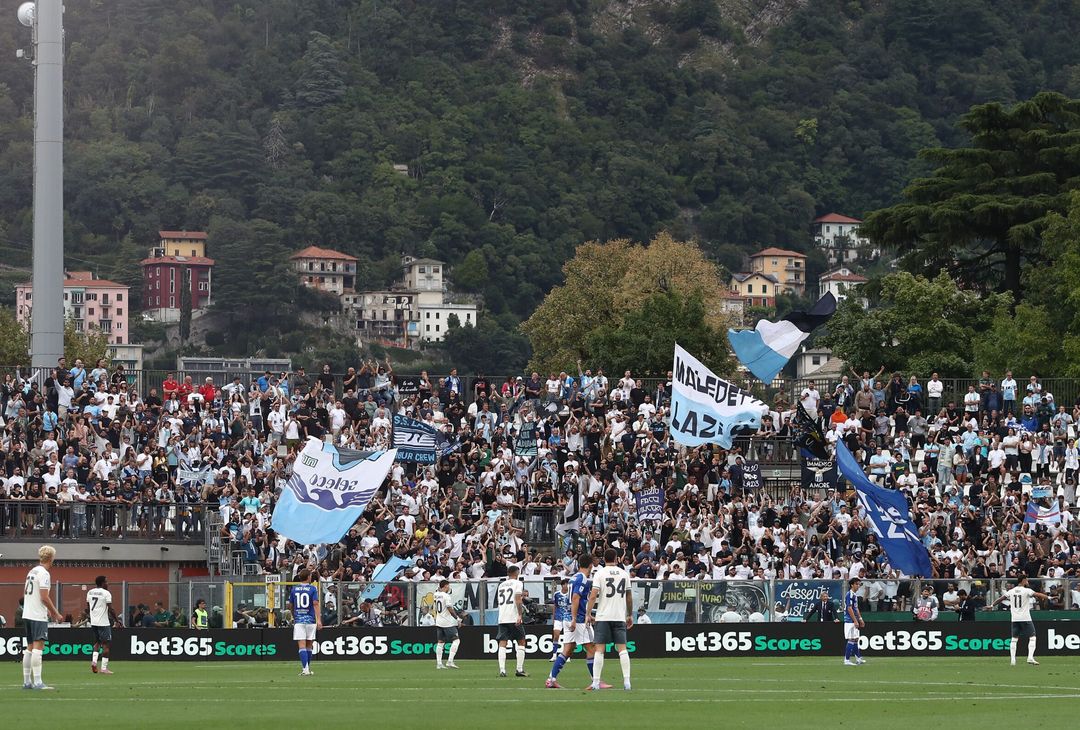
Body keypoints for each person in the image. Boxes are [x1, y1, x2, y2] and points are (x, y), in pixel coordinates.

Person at [548, 553, 606, 689]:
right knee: (591, 647)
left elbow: (577, 600)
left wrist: (587, 614)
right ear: (590, 565)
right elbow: (575, 598)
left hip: (568, 617)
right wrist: (576, 618)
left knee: (567, 650)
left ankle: (551, 679)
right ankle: (596, 681)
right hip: (577, 619)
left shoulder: (573, 577)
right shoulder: (582, 579)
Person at [586, 548, 633, 691]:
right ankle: (627, 682)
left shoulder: (600, 573)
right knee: (622, 649)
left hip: (603, 616)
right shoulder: (624, 574)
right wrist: (629, 614)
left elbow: (593, 595)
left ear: (603, 559)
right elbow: (629, 596)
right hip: (619, 616)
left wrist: (588, 613)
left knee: (599, 649)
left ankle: (596, 682)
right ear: (617, 558)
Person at [22, 545, 64, 690]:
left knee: (29, 648)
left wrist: (45, 609)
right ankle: (38, 682)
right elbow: (44, 597)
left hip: (27, 613)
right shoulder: (44, 573)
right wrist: (55, 613)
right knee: (38, 648)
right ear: (51, 558)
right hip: (36, 615)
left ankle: (27, 682)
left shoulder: (32, 571)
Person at [989, 576, 1048, 666]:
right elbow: (1038, 595)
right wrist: (1048, 597)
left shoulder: (1011, 591)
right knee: (1032, 637)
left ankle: (1013, 660)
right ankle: (1030, 657)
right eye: (1026, 580)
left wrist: (992, 605)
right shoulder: (1027, 590)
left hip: (1015, 619)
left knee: (1014, 639)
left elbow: (1001, 599)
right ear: (1023, 580)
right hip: (1025, 618)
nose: (1027, 581)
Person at [495, 565, 527, 678]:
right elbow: (518, 599)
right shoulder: (518, 583)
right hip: (513, 616)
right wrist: (519, 614)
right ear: (517, 572)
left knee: (502, 643)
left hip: (503, 616)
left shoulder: (501, 585)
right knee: (521, 641)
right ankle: (519, 669)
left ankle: (502, 670)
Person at [289, 569, 321, 676]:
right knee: (309, 645)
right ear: (308, 577)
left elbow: (291, 605)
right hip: (310, 620)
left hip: (299, 620)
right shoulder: (312, 588)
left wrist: (294, 616)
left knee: (301, 646)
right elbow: (315, 604)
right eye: (310, 576)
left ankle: (305, 669)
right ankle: (307, 668)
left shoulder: (294, 589)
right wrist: (319, 620)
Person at [86, 575, 117, 675]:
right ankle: (104, 668)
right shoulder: (106, 593)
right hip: (103, 622)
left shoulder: (90, 592)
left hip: (93, 622)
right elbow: (111, 609)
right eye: (106, 582)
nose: (108, 584)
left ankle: (94, 662)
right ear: (102, 583)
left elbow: (88, 606)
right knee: (106, 645)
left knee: (97, 642)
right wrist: (117, 620)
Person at [432, 580, 461, 670]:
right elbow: (449, 608)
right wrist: (457, 618)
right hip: (447, 622)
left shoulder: (435, 594)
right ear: (445, 586)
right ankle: (450, 661)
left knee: (440, 642)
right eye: (448, 585)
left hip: (439, 621)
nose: (449, 587)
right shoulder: (446, 596)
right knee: (456, 641)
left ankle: (439, 663)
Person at [843, 577, 865, 666]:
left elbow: (856, 608)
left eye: (859, 584)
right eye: (856, 584)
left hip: (853, 620)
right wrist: (855, 620)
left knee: (855, 639)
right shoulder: (850, 594)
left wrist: (860, 619)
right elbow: (849, 608)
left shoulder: (854, 595)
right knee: (852, 639)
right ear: (852, 585)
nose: (858, 586)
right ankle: (846, 660)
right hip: (849, 620)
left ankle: (858, 658)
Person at [550, 577, 571, 661]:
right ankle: (554, 655)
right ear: (562, 585)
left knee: (567, 637)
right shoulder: (556, 594)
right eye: (566, 584)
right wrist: (553, 617)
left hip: (567, 617)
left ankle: (567, 655)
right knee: (556, 635)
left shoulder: (570, 594)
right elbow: (555, 605)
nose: (568, 586)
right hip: (558, 617)